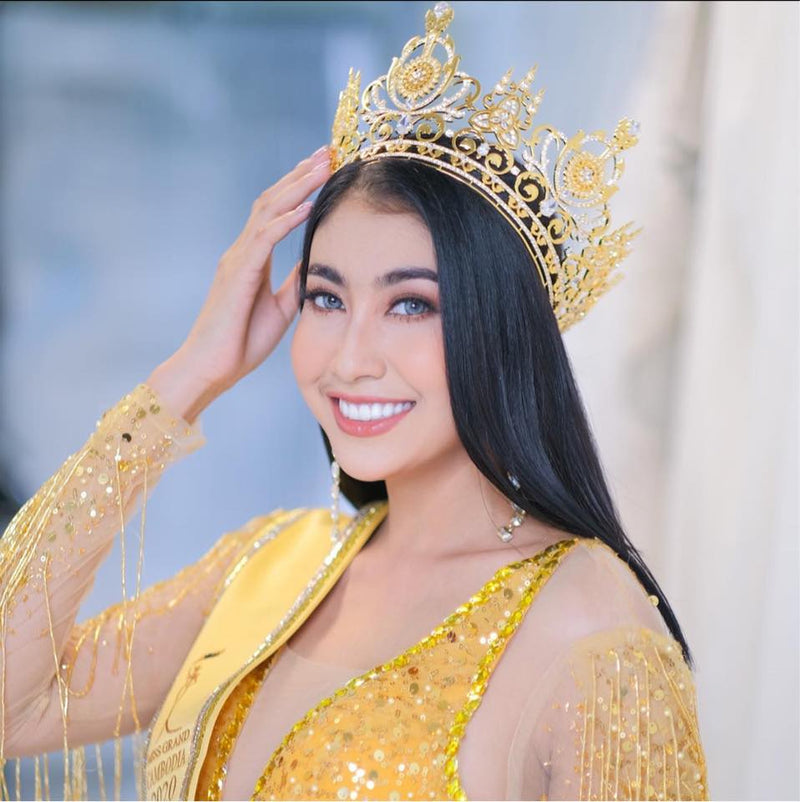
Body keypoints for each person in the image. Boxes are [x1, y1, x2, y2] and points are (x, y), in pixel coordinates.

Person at [0, 4, 709, 800]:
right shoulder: (272, 566)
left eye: (410, 304)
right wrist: (189, 378)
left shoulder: (595, 638)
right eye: (326, 298)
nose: (349, 359)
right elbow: (12, 701)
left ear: (500, 331)